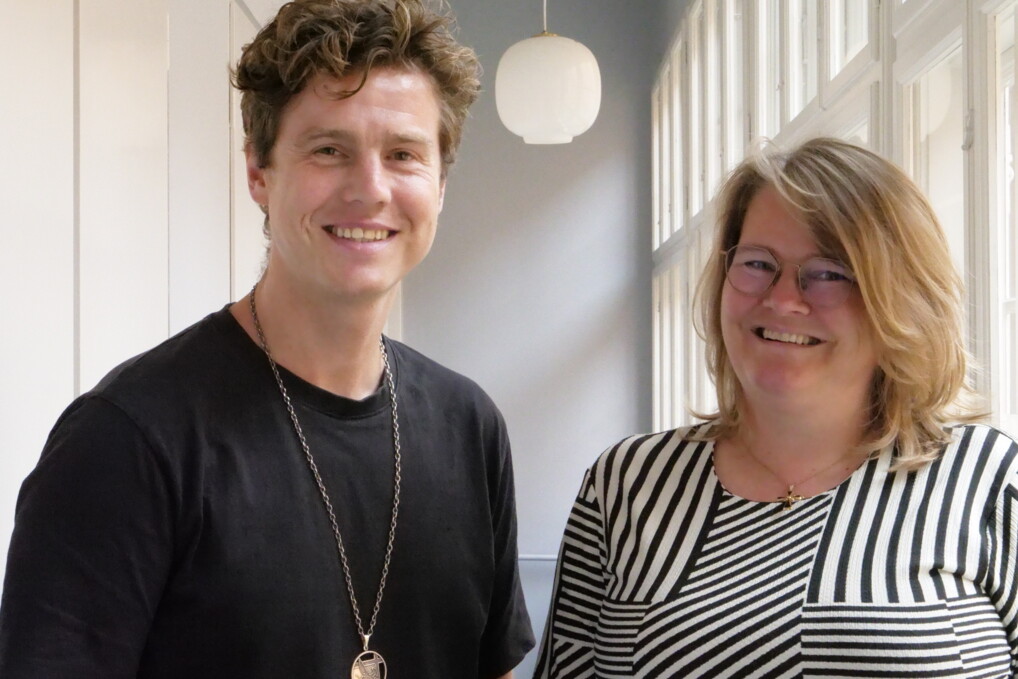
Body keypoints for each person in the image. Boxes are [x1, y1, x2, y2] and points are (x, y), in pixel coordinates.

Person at [0, 1, 534, 677]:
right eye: (329, 150)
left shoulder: (470, 427)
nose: (371, 189)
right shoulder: (127, 440)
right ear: (258, 170)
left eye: (403, 154)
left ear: (440, 183)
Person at [534, 137, 1018, 678]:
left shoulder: (990, 482)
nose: (784, 299)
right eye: (759, 263)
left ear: (899, 299)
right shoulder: (626, 485)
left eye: (830, 272)